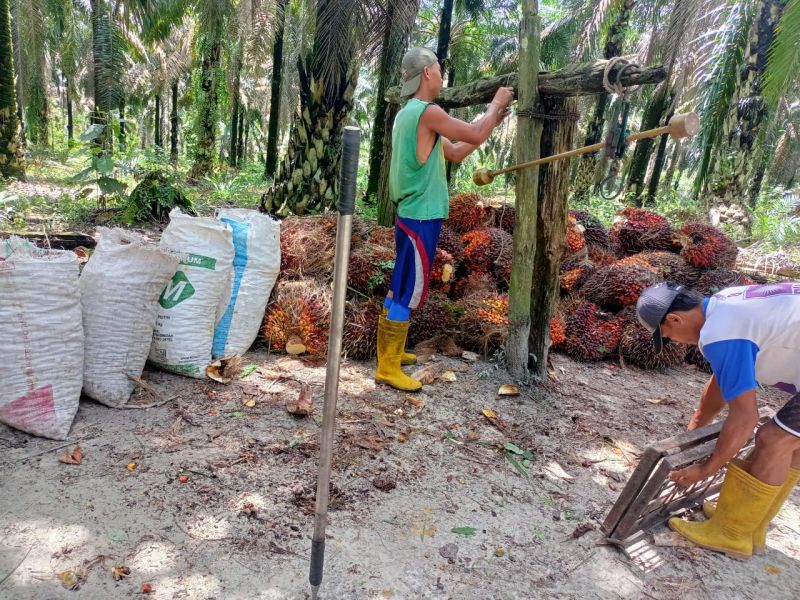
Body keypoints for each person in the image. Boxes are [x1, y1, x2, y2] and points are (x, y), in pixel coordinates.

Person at [374, 47, 513, 392]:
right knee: (408, 287)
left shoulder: (408, 114)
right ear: (426, 74)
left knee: (400, 281)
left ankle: (390, 353)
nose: (441, 75)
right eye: (438, 69)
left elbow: (455, 151)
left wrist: (492, 120)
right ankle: (387, 366)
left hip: (411, 212)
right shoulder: (427, 111)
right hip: (421, 214)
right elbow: (474, 134)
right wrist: (494, 105)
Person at [635, 281, 800, 559]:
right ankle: (751, 525)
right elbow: (724, 381)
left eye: (667, 335)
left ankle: (731, 533)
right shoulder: (726, 304)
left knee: (773, 440)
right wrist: (696, 426)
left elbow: (745, 417)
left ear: (675, 319)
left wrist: (707, 468)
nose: (674, 342)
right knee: (793, 445)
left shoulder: (720, 332)